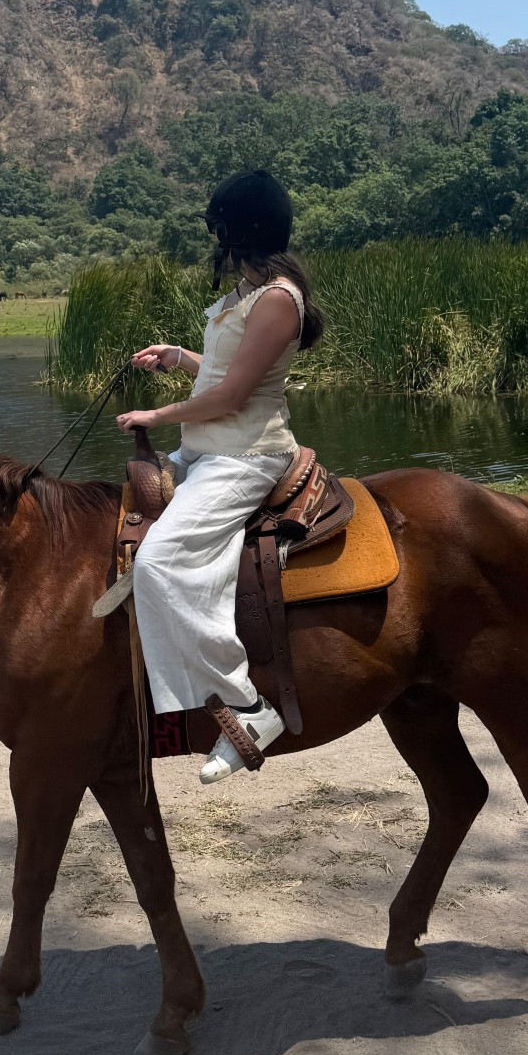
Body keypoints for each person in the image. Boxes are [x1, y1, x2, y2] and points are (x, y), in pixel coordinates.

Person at [116, 169, 324, 783]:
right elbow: (229, 373)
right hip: (209, 450)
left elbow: (235, 397)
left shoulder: (279, 299)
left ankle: (247, 705)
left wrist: (156, 413)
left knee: (158, 562)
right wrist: (182, 358)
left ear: (239, 233)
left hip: (244, 456)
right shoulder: (247, 294)